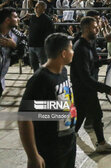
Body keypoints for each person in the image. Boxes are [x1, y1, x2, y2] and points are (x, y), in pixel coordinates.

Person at [18, 33, 77, 168]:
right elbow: (24, 117)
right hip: (51, 147)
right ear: (63, 53)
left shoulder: (62, 72)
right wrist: (33, 155)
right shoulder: (40, 79)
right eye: (71, 49)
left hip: (68, 141)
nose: (73, 52)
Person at [71, 16, 111, 153]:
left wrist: (105, 61)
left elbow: (90, 64)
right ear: (86, 29)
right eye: (94, 27)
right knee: (96, 114)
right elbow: (85, 77)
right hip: (84, 88)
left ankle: (70, 135)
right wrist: (106, 89)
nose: (97, 29)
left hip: (84, 87)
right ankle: (101, 142)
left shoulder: (88, 44)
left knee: (81, 113)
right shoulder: (80, 48)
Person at [23, 1, 54, 71]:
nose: (35, 7)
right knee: (34, 65)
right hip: (31, 46)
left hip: (41, 47)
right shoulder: (33, 17)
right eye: (36, 6)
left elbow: (50, 34)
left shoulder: (47, 20)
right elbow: (28, 24)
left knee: (44, 66)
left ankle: (45, 79)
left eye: (38, 6)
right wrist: (25, 19)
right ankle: (37, 79)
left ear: (43, 9)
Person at [0, 8, 20, 98]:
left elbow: (23, 51)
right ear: (7, 20)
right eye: (15, 17)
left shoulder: (14, 35)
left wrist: (13, 45)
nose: (18, 19)